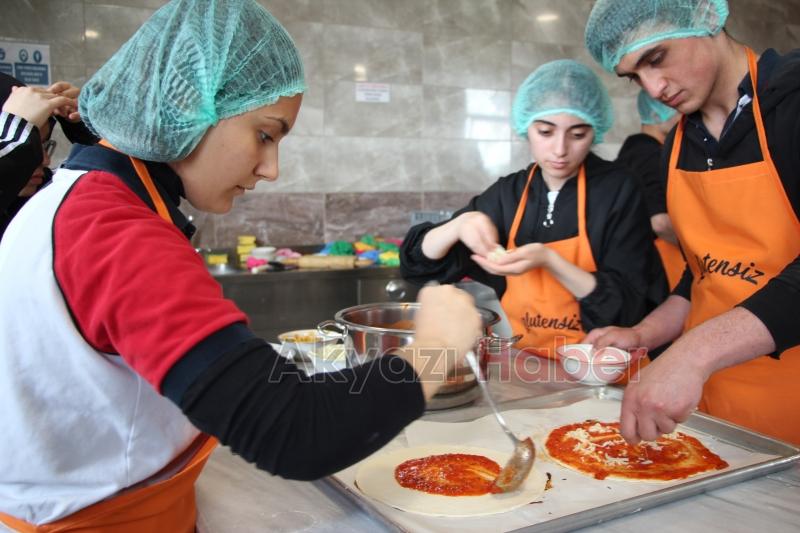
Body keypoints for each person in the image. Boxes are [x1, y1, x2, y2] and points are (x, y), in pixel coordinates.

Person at [0, 0, 482, 530]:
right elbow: (296, 433)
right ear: (188, 106)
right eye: (265, 134)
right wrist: (437, 347)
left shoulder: (79, 198)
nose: (271, 169)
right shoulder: (114, 230)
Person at [584, 0, 800, 445]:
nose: (653, 88)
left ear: (704, 15)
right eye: (634, 77)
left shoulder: (792, 101)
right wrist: (643, 334)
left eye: (656, 57)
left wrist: (693, 353)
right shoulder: (677, 148)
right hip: (718, 417)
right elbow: (702, 276)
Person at [401, 59, 666, 360]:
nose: (560, 150)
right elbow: (417, 266)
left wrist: (549, 261)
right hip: (529, 368)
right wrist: (457, 225)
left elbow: (627, 307)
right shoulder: (508, 194)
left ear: (595, 131)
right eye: (545, 132)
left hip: (603, 371)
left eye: (578, 135)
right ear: (526, 127)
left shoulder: (618, 189)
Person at [0, 74, 97, 238]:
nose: (45, 160)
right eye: (28, 146)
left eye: (43, 145)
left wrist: (86, 130)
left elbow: (121, 180)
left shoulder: (45, 193)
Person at [616, 89, 684, 290]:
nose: (685, 117)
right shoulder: (647, 153)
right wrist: (700, 252)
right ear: (656, 115)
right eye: (676, 109)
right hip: (661, 266)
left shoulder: (634, 150)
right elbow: (660, 222)